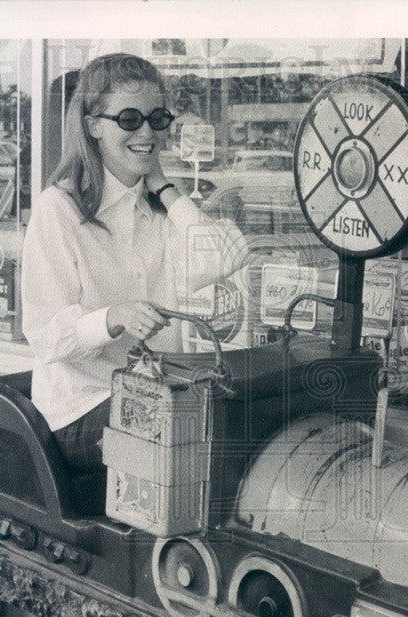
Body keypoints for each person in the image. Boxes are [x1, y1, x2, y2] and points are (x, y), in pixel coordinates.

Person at [21, 53, 247, 472]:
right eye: (129, 119)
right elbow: (44, 334)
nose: (146, 131)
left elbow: (225, 259)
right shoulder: (61, 208)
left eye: (156, 119)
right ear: (93, 127)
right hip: (83, 408)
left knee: (240, 425)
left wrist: (164, 186)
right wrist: (112, 317)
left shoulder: (160, 207)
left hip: (159, 393)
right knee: (195, 444)